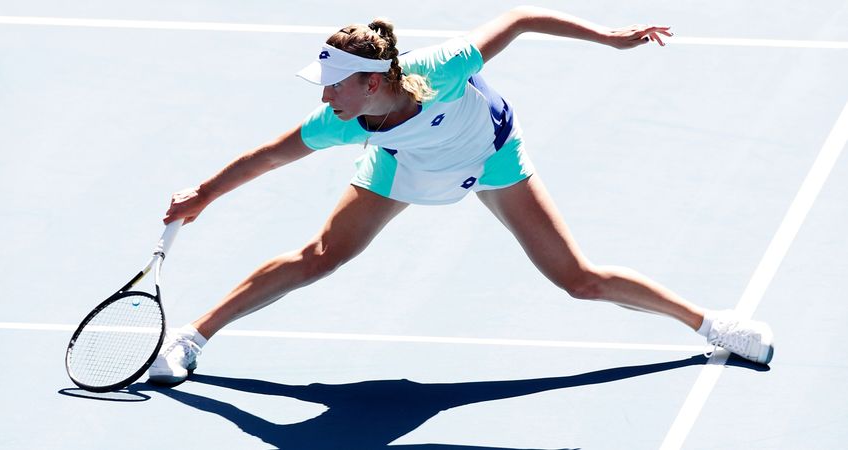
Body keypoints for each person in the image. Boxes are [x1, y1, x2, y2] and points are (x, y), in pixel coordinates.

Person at [149, 6, 773, 385]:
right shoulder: (341, 121)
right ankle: (191, 337)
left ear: (373, 83)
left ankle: (711, 324)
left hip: (492, 158)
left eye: (334, 84)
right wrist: (204, 194)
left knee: (579, 280)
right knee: (320, 257)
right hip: (406, 168)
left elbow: (522, 18)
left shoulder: (442, 67)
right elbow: (269, 155)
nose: (324, 96)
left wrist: (608, 38)